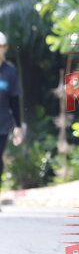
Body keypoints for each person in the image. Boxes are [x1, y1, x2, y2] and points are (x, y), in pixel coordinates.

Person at [0, 31, 24, 204]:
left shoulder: (10, 71)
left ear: (5, 48)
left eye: (1, 46)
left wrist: (18, 126)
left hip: (2, 124)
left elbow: (14, 100)